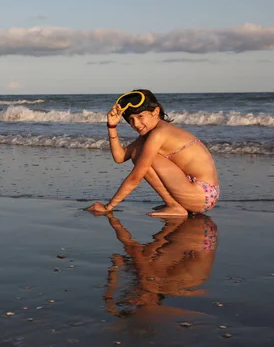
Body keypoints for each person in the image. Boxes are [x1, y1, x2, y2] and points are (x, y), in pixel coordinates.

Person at [86, 89, 219, 216]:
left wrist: (108, 207)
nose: (136, 124)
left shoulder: (159, 134)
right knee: (139, 152)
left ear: (155, 111)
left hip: (200, 195)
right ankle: (175, 205)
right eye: (131, 120)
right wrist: (112, 126)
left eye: (140, 116)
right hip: (206, 194)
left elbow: (135, 177)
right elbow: (120, 157)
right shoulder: (152, 132)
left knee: (139, 155)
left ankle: (175, 207)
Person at [102, 213, 218, 318]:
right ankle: (110, 214)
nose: (133, 296)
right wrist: (109, 296)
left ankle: (175, 210)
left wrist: (110, 292)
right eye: (138, 301)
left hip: (205, 235)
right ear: (153, 299)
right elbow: (132, 251)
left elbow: (119, 260)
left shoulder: (168, 286)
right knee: (144, 256)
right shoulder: (153, 285)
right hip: (198, 233)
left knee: (144, 259)